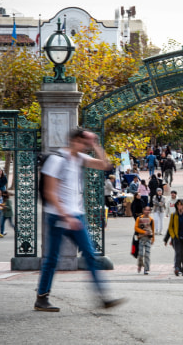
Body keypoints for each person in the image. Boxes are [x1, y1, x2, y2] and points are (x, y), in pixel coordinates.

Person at [35, 128, 125, 312]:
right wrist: (66, 215)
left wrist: (96, 145)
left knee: (90, 255)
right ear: (74, 141)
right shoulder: (56, 160)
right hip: (58, 217)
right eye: (84, 143)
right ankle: (42, 298)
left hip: (76, 216)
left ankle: (103, 297)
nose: (85, 147)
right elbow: (49, 193)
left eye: (87, 145)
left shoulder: (79, 159)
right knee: (52, 259)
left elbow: (105, 165)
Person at [135, 206, 155, 274]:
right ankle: (140, 264)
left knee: (147, 254)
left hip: (148, 239)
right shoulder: (139, 218)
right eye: (146, 210)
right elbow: (136, 228)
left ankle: (146, 269)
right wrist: (143, 232)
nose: (147, 211)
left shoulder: (151, 219)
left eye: (148, 210)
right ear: (143, 211)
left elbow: (153, 230)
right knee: (140, 254)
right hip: (141, 238)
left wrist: (153, 239)